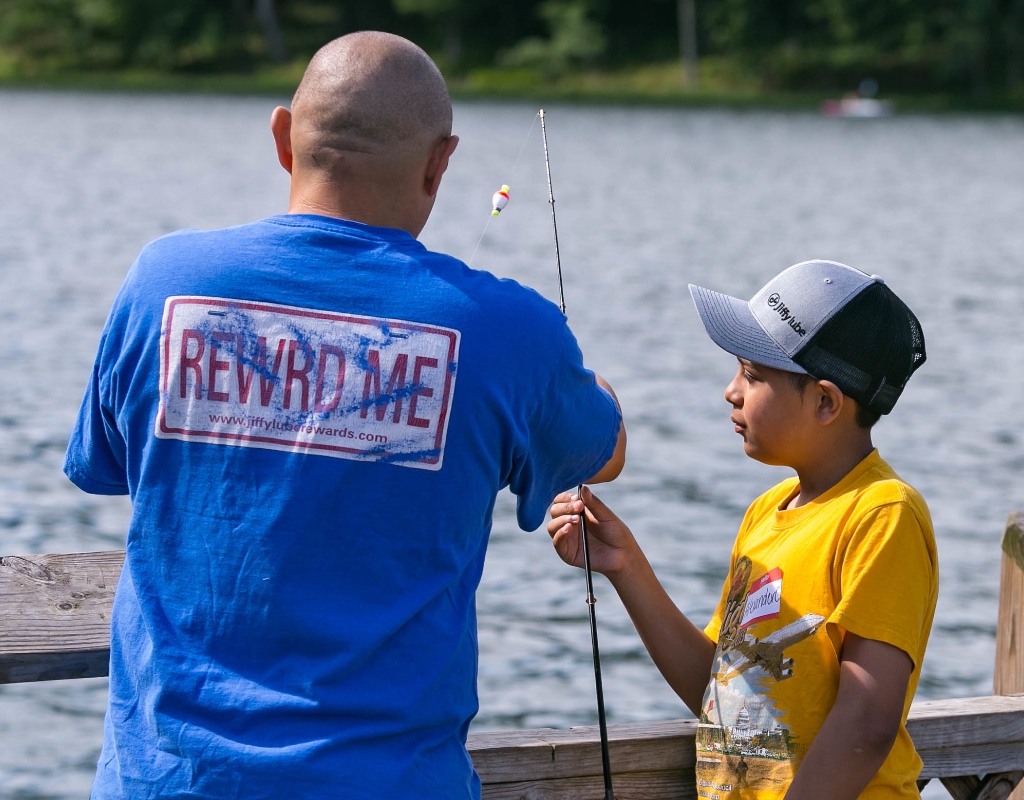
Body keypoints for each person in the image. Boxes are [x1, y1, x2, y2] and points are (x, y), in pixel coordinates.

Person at [64, 31, 626, 800]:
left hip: (164, 783)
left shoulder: (163, 281)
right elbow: (602, 449)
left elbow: (104, 464)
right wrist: (570, 378)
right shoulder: (509, 330)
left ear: (283, 139)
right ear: (440, 163)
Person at [548, 259, 937, 798]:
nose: (730, 392)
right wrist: (626, 565)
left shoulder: (882, 514)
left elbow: (867, 723)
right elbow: (722, 689)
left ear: (826, 400)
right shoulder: (765, 512)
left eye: (752, 376)